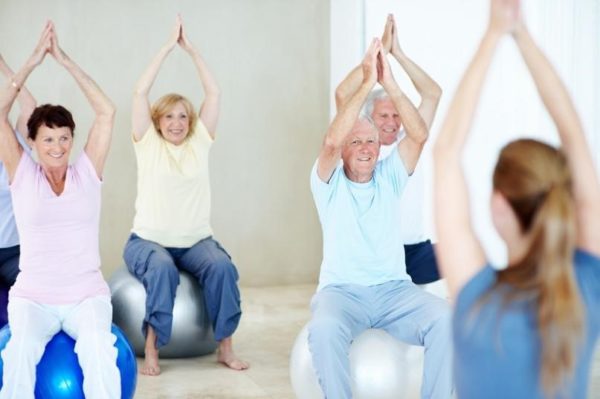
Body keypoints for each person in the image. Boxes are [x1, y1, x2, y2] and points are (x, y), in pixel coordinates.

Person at [433, 0, 600, 398]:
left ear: (499, 206)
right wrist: (521, 34)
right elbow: (574, 133)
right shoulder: (586, 290)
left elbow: (446, 153)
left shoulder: (478, 302)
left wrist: (496, 33)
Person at [309, 38, 452, 399]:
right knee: (324, 330)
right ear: (343, 149)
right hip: (342, 292)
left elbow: (419, 135)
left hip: (394, 291)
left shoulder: (390, 176)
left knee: (447, 319)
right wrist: (368, 77)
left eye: (371, 142)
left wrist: (389, 83)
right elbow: (330, 141)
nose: (365, 149)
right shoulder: (328, 182)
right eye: (355, 142)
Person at [0, 22, 120, 398]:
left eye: (64, 137)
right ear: (32, 142)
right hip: (33, 297)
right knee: (18, 352)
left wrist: (64, 60)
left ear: (72, 139)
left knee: (99, 349)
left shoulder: (87, 171)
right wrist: (32, 63)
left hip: (86, 296)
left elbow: (107, 112)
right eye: (48, 139)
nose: (56, 146)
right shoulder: (21, 174)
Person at [123, 15, 247, 376]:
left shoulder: (199, 144)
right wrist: (165, 49)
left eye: (182, 117)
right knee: (161, 269)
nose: (176, 123)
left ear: (189, 122)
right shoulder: (147, 144)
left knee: (222, 267)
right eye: (169, 117)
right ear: (157, 121)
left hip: (195, 241)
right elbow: (138, 94)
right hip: (147, 242)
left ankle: (225, 347)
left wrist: (192, 52)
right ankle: (152, 348)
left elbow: (214, 93)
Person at [335, 14, 442, 285]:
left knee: (466, 255)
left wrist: (400, 56)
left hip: (416, 250)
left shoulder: (411, 140)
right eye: (384, 116)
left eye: (397, 115)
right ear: (370, 117)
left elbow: (432, 94)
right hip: (376, 254)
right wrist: (376, 58)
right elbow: (342, 94)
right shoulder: (358, 143)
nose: (393, 122)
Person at [0, 53, 36, 293]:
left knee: (37, 288)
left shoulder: (19, 145)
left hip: (15, 252)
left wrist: (4, 66)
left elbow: (29, 106)